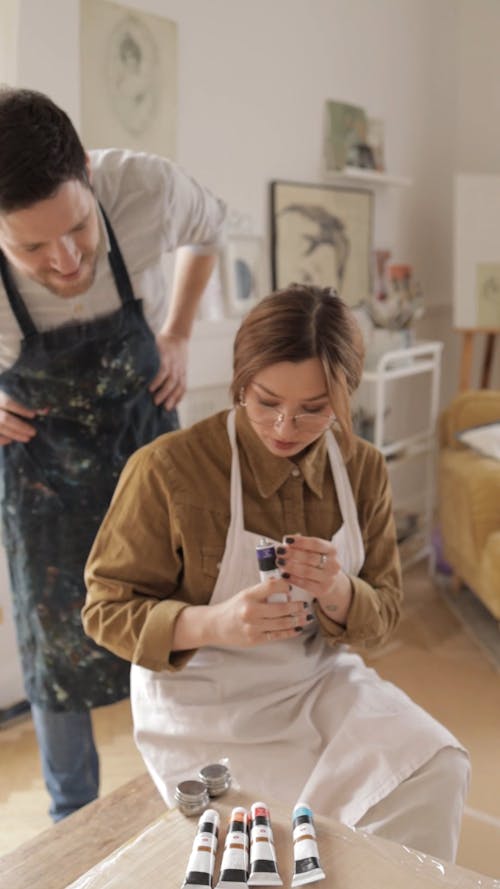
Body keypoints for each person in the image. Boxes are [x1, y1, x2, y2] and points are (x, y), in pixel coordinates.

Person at [83, 285, 469, 861]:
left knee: (435, 765)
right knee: (276, 841)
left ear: (344, 397)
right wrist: (213, 623)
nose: (286, 426)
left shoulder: (361, 469)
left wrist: (338, 591)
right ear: (240, 382)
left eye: (315, 409)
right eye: (265, 401)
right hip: (202, 700)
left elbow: (384, 613)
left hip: (315, 679)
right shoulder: (168, 469)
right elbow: (104, 612)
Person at [0, 86, 226, 821]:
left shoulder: (147, 187)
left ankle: (205, 790)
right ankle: (73, 817)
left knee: (180, 619)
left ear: (91, 176)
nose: (65, 260)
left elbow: (211, 228)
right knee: (55, 652)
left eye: (75, 228)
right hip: (42, 477)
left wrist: (182, 330)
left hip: (147, 446)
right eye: (30, 246)